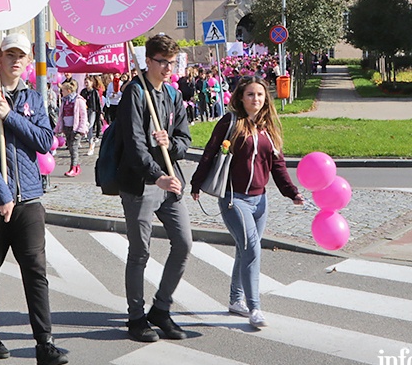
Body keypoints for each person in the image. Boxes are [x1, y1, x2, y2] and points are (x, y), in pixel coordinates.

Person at [0, 32, 68, 365]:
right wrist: (1, 194)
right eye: (10, 54)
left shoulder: (33, 99)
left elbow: (45, 141)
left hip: (29, 201)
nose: (17, 61)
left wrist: (10, 116)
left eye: (22, 55)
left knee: (36, 272)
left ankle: (44, 343)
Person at [190, 75, 304, 329]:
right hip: (234, 199)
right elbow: (209, 152)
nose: (256, 99)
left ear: (266, 99)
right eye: (251, 94)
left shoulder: (269, 128)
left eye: (260, 95)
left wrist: (291, 192)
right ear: (241, 97)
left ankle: (235, 300)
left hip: (260, 200)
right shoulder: (230, 122)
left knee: (245, 250)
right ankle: (255, 307)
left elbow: (278, 165)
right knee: (252, 248)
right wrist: (196, 183)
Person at [115, 34, 192, 343]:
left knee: (184, 243)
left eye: (171, 62)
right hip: (141, 184)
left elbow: (185, 140)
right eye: (162, 62)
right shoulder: (135, 93)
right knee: (140, 252)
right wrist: (156, 175)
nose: (167, 68)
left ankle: (161, 308)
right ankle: (136, 317)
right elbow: (133, 145)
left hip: (169, 182)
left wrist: (170, 144)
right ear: (148, 61)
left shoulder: (173, 95)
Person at [56, 79, 88, 177]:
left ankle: (73, 168)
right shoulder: (64, 101)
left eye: (63, 90)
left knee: (74, 148)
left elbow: (83, 115)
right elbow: (61, 115)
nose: (62, 92)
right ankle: (76, 166)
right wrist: (59, 128)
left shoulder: (78, 100)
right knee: (70, 147)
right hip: (67, 127)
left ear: (69, 91)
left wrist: (81, 129)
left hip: (76, 128)